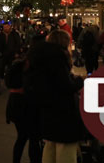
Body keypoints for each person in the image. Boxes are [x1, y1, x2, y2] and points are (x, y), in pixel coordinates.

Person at [25, 30, 84, 163]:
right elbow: (65, 85)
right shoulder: (57, 58)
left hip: (48, 110)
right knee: (66, 149)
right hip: (63, 111)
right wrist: (79, 81)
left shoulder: (41, 56)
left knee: (50, 147)